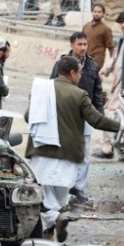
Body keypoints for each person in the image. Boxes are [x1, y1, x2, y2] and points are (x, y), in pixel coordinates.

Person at [25, 55, 124, 241]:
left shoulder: (41, 90)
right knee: (60, 200)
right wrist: (123, 127)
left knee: (45, 200)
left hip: (42, 154)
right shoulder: (79, 94)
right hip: (68, 156)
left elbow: (28, 117)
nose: (80, 77)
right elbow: (97, 120)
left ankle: (51, 229)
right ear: (72, 72)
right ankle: (53, 229)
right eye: (79, 73)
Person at [50, 32, 103, 204]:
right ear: (72, 44)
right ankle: (62, 186)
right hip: (65, 114)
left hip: (86, 114)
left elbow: (97, 92)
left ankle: (78, 188)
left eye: (85, 44)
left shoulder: (92, 65)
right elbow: (52, 88)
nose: (82, 47)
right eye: (79, 44)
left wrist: (99, 114)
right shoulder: (61, 64)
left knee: (84, 153)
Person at [96, 10, 124, 158]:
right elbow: (114, 59)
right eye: (122, 22)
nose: (123, 25)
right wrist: (104, 71)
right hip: (119, 87)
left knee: (109, 114)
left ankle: (107, 147)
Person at [82, 3, 115, 71]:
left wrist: (112, 62)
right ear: (92, 12)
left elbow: (111, 46)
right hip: (84, 60)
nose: (97, 14)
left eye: (99, 12)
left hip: (96, 62)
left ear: (103, 14)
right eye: (95, 11)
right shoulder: (86, 26)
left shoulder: (106, 29)